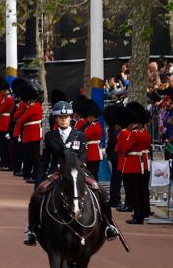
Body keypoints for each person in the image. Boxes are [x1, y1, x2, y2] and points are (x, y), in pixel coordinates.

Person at [25, 101, 119, 246]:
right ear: (56, 119)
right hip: (56, 172)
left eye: (67, 116)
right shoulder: (50, 136)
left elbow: (83, 155)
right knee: (36, 196)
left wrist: (79, 168)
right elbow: (45, 160)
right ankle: (32, 229)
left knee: (101, 191)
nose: (64, 119)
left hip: (78, 171)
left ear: (71, 118)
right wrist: (38, 181)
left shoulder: (79, 135)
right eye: (60, 117)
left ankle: (108, 225)